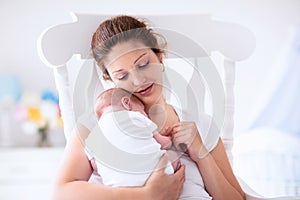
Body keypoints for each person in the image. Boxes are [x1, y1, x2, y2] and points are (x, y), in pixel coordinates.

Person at [51, 15, 245, 200]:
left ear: (159, 57)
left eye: (143, 64)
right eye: (122, 76)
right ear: (110, 79)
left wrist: (201, 154)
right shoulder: (96, 125)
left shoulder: (200, 125)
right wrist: (147, 195)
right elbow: (61, 192)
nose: (138, 80)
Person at [87, 87, 181, 187]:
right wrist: (171, 138)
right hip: (154, 175)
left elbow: (95, 166)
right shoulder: (135, 117)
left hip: (120, 188)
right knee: (173, 156)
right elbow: (163, 143)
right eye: (143, 110)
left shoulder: (92, 136)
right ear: (127, 103)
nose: (145, 115)